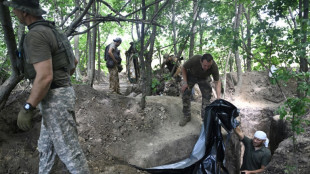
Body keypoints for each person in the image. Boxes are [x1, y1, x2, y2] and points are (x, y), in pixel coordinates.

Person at [3, 0, 90, 173]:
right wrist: (61, 85)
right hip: (58, 96)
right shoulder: (54, 31)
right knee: (46, 149)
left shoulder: (35, 35)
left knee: (71, 154)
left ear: (24, 12)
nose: (13, 11)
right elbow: (72, 63)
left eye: (15, 8)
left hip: (55, 99)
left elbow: (45, 77)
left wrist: (28, 107)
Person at [179, 53, 221, 126]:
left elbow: (217, 82)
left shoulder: (214, 66)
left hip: (204, 78)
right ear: (201, 61)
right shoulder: (195, 59)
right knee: (186, 93)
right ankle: (186, 116)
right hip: (191, 75)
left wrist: (218, 97)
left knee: (207, 97)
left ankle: (205, 119)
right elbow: (183, 68)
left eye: (209, 66)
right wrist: (185, 83)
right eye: (205, 65)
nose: (206, 67)